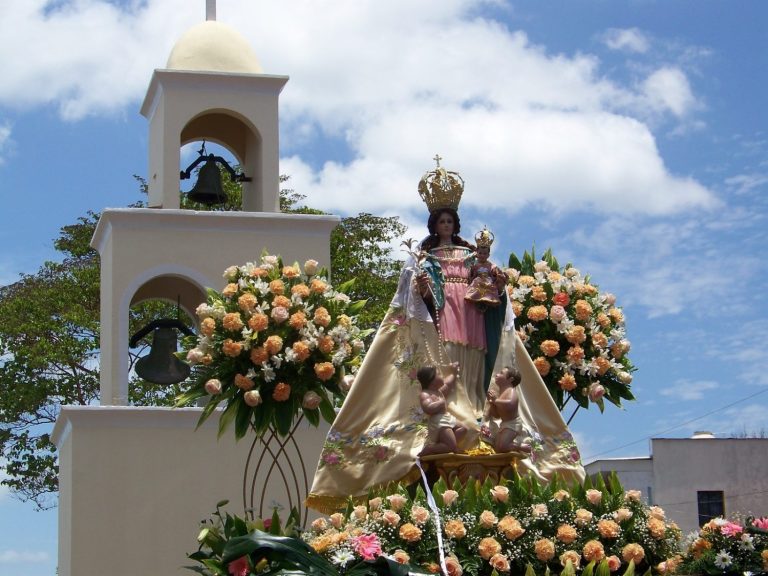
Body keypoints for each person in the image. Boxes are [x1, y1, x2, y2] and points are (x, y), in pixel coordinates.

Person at [305, 160, 585, 514]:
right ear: (433, 224)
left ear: (456, 224)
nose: (446, 226)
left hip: (471, 313)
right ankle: (454, 415)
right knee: (448, 358)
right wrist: (422, 286)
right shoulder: (425, 257)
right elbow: (413, 297)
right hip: (444, 314)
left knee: (472, 360)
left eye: (450, 221)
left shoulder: (472, 256)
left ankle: (475, 411)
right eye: (441, 222)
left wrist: (497, 284)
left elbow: (492, 284)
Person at [417, 363, 467, 455]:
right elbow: (427, 408)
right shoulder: (425, 394)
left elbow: (448, 383)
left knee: (463, 428)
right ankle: (430, 449)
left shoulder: (438, 391)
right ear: (432, 381)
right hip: (439, 422)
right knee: (451, 446)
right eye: (439, 374)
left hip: (446, 417)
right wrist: (440, 403)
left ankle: (449, 444)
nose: (442, 376)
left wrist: (454, 372)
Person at [485, 366, 531, 453]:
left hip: (513, 424)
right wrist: (492, 403)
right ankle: (511, 446)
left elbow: (510, 404)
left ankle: (521, 446)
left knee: (502, 446)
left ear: (510, 379)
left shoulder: (511, 391)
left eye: (501, 373)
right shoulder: (501, 393)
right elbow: (496, 415)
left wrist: (496, 400)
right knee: (497, 448)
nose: (497, 374)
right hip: (504, 424)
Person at [465, 227, 506, 311]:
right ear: (476, 253)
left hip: (488, 281)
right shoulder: (474, 265)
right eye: (480, 253)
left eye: (485, 253)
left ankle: (488, 299)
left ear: (488, 255)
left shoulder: (491, 265)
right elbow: (471, 275)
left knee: (489, 286)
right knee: (476, 283)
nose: (482, 255)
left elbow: (497, 274)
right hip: (477, 281)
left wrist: (499, 276)